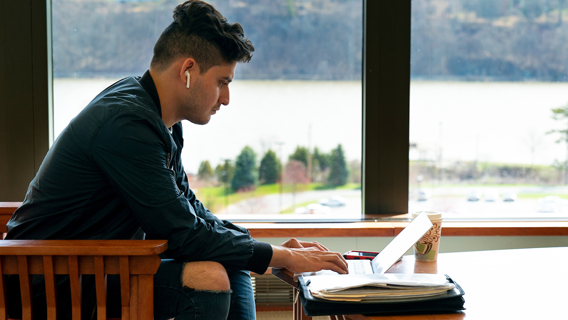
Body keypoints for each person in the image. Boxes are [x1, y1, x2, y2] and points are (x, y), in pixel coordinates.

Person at [6, 1, 348, 319]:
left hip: (97, 265)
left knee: (231, 259)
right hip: (49, 281)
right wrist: (278, 256)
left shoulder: (159, 119)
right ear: (188, 70)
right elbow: (183, 233)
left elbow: (190, 211)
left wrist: (262, 249)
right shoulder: (126, 125)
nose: (226, 99)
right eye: (222, 82)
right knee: (209, 276)